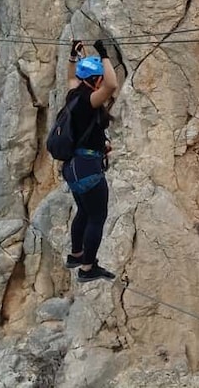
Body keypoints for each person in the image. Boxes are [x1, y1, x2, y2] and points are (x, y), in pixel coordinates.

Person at [62, 39, 119, 283]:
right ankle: (87, 268)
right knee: (97, 216)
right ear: (95, 80)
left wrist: (73, 57)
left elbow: (70, 77)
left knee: (84, 211)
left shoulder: (74, 94)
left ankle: (76, 254)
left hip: (72, 167)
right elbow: (112, 84)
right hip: (88, 169)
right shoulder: (90, 101)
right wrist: (105, 54)